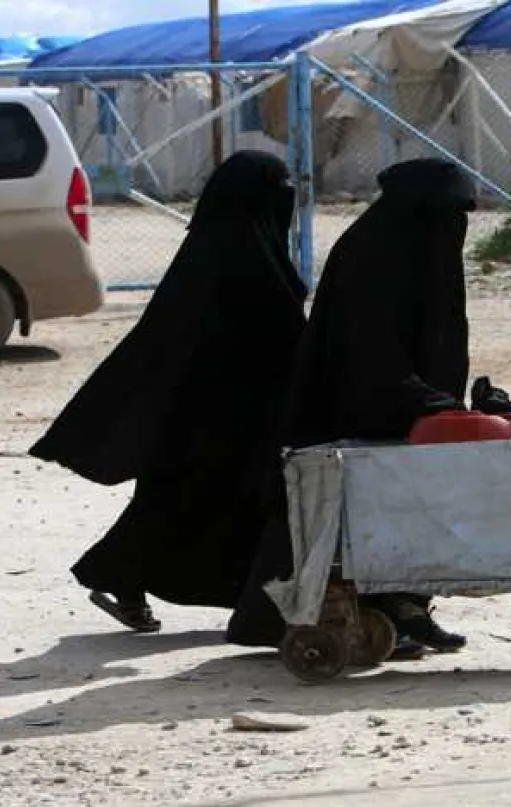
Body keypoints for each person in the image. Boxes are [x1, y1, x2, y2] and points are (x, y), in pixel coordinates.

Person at [30, 151, 308, 632]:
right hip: (213, 415)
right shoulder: (233, 258)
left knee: (203, 504)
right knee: (185, 502)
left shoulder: (227, 250)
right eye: (277, 185)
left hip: (230, 412)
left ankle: (230, 598)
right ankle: (120, 576)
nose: (286, 196)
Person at [226, 158, 475, 654]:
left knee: (413, 507)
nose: (454, 227)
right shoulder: (373, 253)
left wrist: (448, 403)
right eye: (448, 214)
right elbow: (368, 353)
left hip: (409, 409)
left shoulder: (421, 251)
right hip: (353, 409)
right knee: (346, 519)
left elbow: (440, 339)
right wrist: (421, 398)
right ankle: (347, 621)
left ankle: (406, 610)